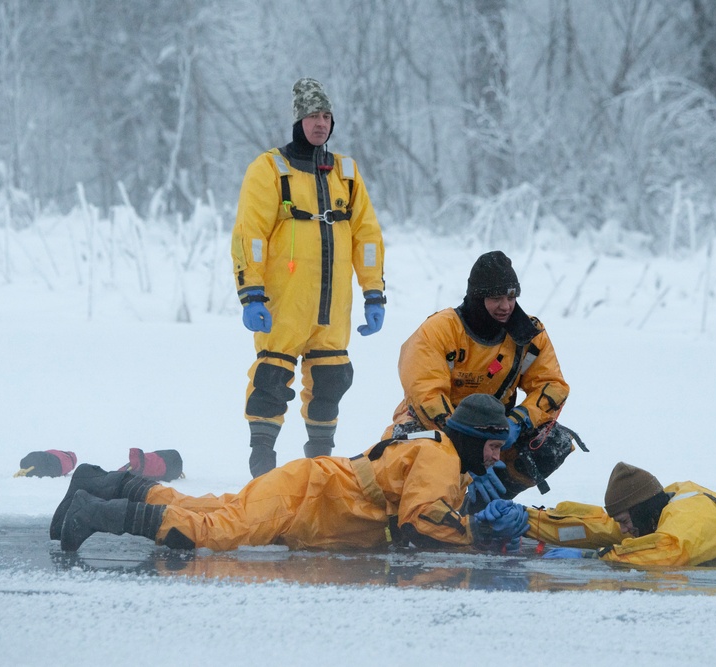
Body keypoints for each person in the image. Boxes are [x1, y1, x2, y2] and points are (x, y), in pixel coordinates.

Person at [53, 394, 529, 553]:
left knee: (207, 507)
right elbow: (418, 520)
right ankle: (96, 513)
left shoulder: (442, 451)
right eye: (491, 446)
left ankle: (100, 483)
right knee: (214, 530)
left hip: (310, 495)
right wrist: (474, 531)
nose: (494, 457)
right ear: (470, 437)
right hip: (307, 495)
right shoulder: (442, 458)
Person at [231, 77, 386, 478]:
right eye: (313, 116)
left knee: (332, 381)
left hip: (332, 309)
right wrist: (251, 293)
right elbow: (250, 235)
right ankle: (262, 461)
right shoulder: (270, 169)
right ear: (298, 120)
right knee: (271, 379)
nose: (320, 123)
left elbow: (367, 236)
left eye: (326, 116)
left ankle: (319, 463)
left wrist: (374, 292)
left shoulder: (346, 173)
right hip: (284, 304)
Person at [383, 250, 579, 509]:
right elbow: (426, 394)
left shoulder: (527, 335)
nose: (506, 306)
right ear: (477, 297)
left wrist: (518, 422)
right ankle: (420, 508)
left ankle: (484, 507)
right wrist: (466, 450)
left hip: (496, 432)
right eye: (496, 298)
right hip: (438, 426)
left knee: (554, 442)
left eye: (511, 297)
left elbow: (552, 386)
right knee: (417, 451)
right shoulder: (439, 330)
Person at [527, 462, 716, 566]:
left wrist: (594, 558)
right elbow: (605, 528)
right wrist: (528, 520)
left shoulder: (690, 516)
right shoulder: (656, 509)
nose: (625, 529)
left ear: (641, 509)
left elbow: (668, 553)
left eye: (626, 520)